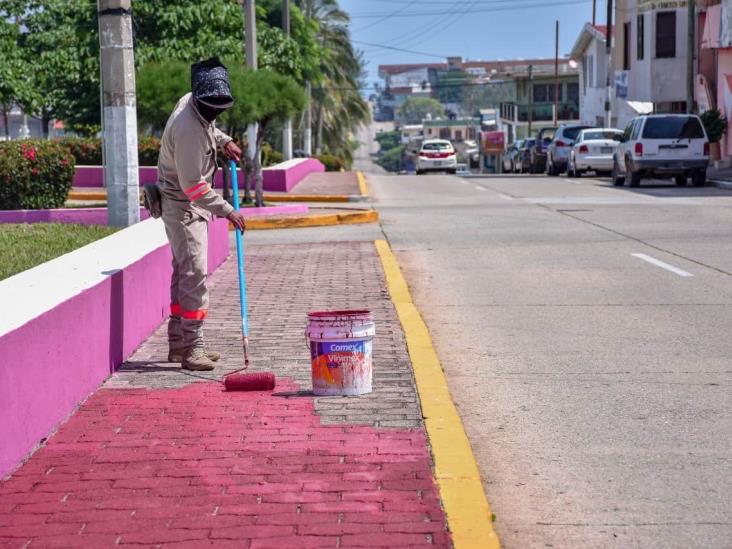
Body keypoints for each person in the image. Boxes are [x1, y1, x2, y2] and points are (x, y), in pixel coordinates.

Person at [156, 57, 246, 371]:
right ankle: (192, 349)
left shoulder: (193, 104)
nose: (216, 110)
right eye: (212, 105)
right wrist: (228, 210)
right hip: (183, 206)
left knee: (185, 272)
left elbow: (209, 127)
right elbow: (194, 187)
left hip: (187, 202)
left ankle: (179, 345)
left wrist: (225, 141)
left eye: (221, 104)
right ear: (199, 97)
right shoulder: (187, 130)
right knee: (194, 275)